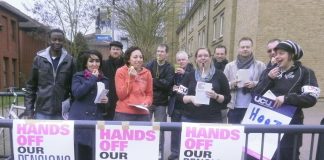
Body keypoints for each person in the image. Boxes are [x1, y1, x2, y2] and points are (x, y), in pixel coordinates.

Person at [253, 40, 320, 160]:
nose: (276, 56)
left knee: (288, 156)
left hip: (291, 127)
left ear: (292, 55)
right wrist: (268, 78)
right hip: (267, 124)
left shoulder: (305, 72)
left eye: (281, 53)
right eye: (275, 53)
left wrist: (287, 98)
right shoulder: (270, 71)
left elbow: (311, 98)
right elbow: (256, 95)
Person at [24, 29, 75, 120]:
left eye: (60, 40)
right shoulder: (39, 59)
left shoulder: (70, 61)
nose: (57, 42)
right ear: (49, 40)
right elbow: (31, 87)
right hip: (42, 112)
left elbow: (74, 88)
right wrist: (29, 111)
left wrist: (73, 110)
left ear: (63, 41)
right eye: (54, 39)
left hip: (62, 113)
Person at [68, 50, 109, 160]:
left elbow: (103, 105)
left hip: (96, 119)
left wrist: (105, 100)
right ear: (86, 63)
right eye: (91, 61)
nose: (94, 64)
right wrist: (92, 79)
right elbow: (77, 93)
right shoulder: (78, 77)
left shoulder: (105, 80)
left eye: (97, 61)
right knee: (80, 152)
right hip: (80, 118)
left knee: (94, 153)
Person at [178, 48, 231, 123]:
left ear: (210, 58)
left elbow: (227, 98)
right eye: (200, 56)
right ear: (196, 59)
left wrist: (216, 96)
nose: (203, 58)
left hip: (213, 120)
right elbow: (179, 95)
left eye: (206, 55)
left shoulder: (220, 75)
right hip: (190, 119)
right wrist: (191, 98)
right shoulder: (189, 75)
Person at [224, 37, 266, 124]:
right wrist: (232, 84)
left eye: (247, 47)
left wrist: (254, 84)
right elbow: (223, 85)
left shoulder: (260, 65)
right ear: (238, 48)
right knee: (235, 134)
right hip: (234, 106)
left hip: (253, 106)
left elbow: (265, 83)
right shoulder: (229, 66)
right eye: (242, 47)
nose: (245, 49)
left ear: (252, 48)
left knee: (251, 134)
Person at [146, 44, 174, 159]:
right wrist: (158, 82)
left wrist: (153, 80)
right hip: (148, 101)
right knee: (146, 127)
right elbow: (145, 80)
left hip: (161, 104)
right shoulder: (150, 64)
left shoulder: (169, 67)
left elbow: (167, 84)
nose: (159, 53)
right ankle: (146, 151)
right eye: (158, 51)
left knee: (159, 129)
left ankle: (159, 153)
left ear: (166, 54)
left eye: (162, 51)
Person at [114, 46, 153, 121]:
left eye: (141, 57)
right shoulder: (120, 71)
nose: (138, 60)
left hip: (143, 114)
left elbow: (149, 94)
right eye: (135, 57)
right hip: (124, 113)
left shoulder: (147, 73)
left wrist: (147, 102)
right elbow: (121, 95)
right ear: (128, 59)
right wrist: (131, 78)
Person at [167, 51, 194, 160]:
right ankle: (175, 152)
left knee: (187, 132)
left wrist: (184, 74)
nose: (181, 61)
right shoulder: (173, 72)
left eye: (183, 59)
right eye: (179, 60)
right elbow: (168, 88)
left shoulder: (193, 72)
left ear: (187, 60)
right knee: (175, 131)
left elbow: (194, 86)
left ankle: (185, 152)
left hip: (187, 107)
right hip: (175, 107)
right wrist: (172, 89)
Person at [102, 41, 124, 120]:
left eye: (117, 49)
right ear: (110, 50)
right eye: (113, 49)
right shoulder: (103, 64)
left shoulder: (125, 65)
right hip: (107, 98)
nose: (115, 51)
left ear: (121, 51)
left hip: (121, 98)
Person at [213, 44, 229, 123]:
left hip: (223, 104)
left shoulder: (229, 67)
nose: (219, 56)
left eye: (222, 54)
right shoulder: (209, 67)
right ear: (214, 54)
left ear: (225, 54)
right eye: (217, 54)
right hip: (210, 104)